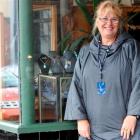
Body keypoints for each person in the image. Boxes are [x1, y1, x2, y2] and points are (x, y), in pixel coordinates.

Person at [64, 0, 140, 140]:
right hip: (92, 132)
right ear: (97, 22)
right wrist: (80, 119)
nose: (109, 23)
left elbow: (139, 81)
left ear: (120, 23)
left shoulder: (131, 48)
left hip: (126, 131)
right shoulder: (85, 52)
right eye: (104, 18)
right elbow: (76, 86)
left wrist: (133, 115)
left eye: (114, 19)